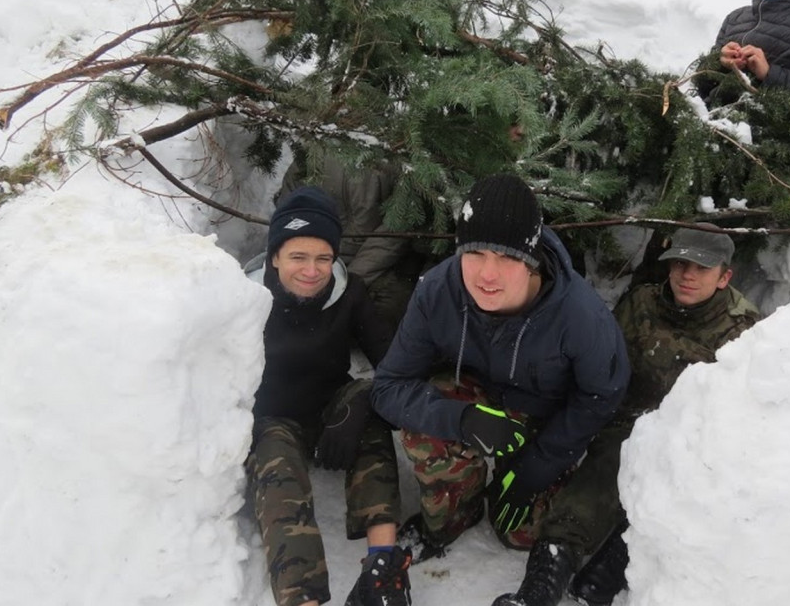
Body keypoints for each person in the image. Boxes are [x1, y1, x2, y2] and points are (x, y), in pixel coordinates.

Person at [369, 173, 631, 605]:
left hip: (543, 421)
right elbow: (389, 387)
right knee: (425, 422)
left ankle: (515, 483)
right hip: (477, 401)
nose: (487, 274)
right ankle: (455, 512)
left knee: (521, 533)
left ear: (531, 259)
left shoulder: (579, 315)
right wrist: (460, 419)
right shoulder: (438, 290)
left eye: (506, 258)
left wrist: (537, 467)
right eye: (474, 253)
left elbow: (602, 397)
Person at [525, 226, 761, 606]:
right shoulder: (641, 303)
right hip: (618, 424)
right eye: (680, 263)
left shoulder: (742, 329)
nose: (687, 275)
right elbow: (601, 365)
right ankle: (539, 588)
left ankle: (608, 568)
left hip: (687, 442)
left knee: (658, 502)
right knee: (584, 494)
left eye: (701, 268)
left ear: (724, 277)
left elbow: (738, 417)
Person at [244, 186, 410, 606]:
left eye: (323, 258)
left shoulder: (349, 292)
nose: (312, 271)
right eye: (298, 257)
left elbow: (393, 365)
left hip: (330, 407)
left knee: (369, 416)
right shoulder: (245, 299)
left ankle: (384, 565)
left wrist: (362, 399)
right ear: (276, 255)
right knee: (277, 465)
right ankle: (304, 597)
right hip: (272, 419)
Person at [279, 151, 425, 338]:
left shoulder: (396, 155)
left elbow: (395, 231)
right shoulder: (313, 151)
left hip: (373, 266)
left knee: (387, 311)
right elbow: (288, 218)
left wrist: (349, 281)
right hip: (318, 262)